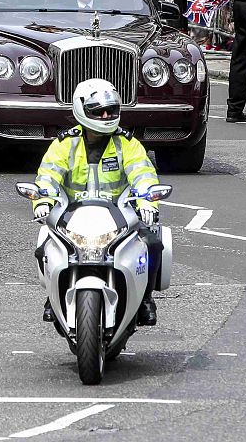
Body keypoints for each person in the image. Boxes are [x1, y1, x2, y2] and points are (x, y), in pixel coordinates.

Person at [33, 79, 163, 325]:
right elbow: (48, 176)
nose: (105, 115)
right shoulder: (64, 144)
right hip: (73, 217)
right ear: (82, 110)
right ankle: (53, 296)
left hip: (120, 216)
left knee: (152, 244)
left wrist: (148, 203)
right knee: (44, 248)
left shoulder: (127, 144)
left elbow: (143, 175)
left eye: (111, 110)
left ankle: (145, 299)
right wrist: (43, 201)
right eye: (98, 111)